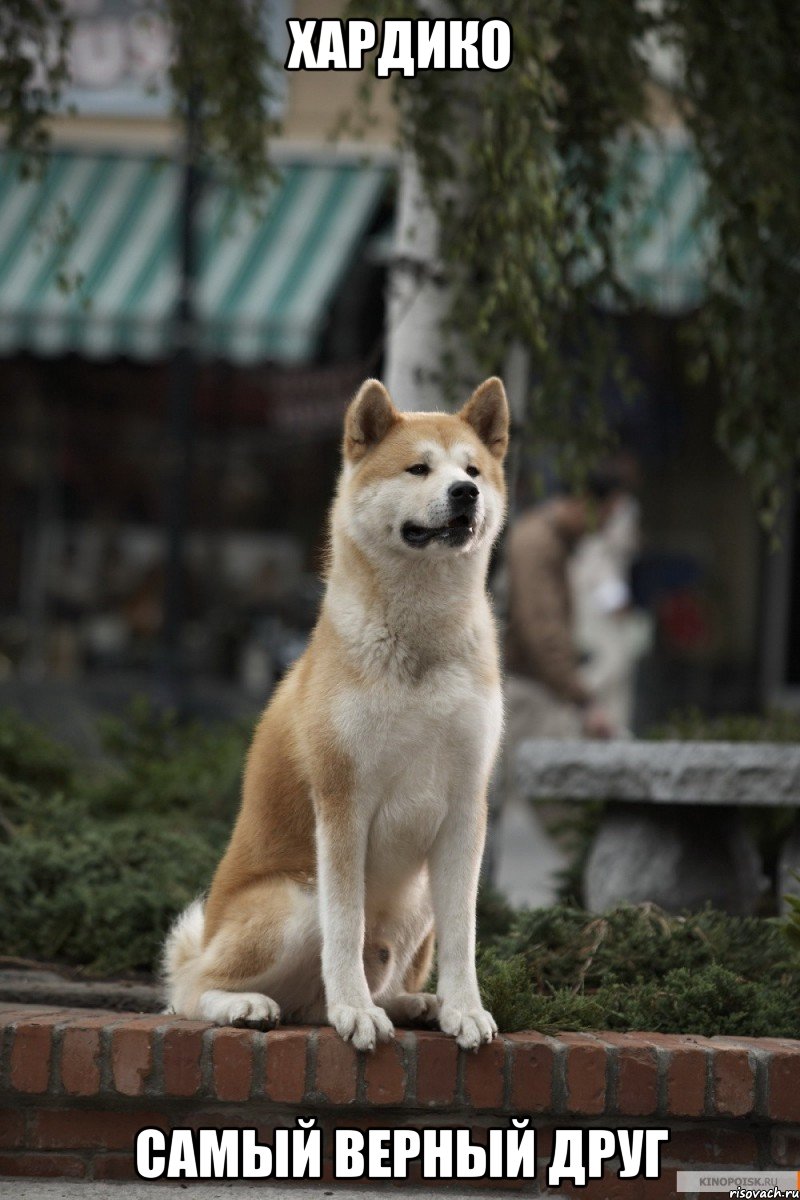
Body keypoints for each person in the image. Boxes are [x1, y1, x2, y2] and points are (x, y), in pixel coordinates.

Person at [504, 470, 627, 743]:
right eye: (606, 515)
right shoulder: (538, 544)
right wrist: (583, 701)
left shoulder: (551, 541)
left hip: (537, 687)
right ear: (586, 502)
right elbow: (542, 630)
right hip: (527, 691)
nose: (605, 527)